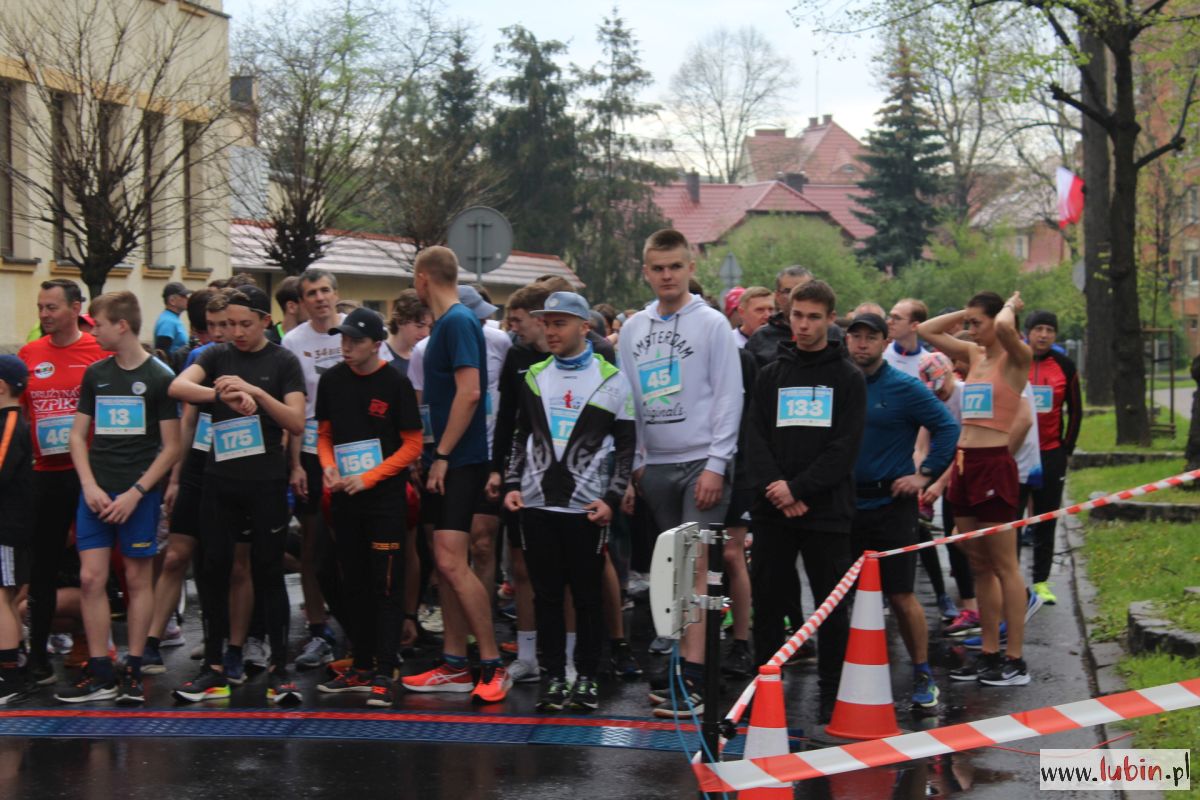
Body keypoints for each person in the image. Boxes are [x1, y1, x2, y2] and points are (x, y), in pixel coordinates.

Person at [618, 229, 742, 718]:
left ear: (691, 268)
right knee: (672, 571)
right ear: (645, 272)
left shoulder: (712, 324)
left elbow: (729, 395)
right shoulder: (633, 329)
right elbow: (629, 400)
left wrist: (717, 463)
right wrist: (635, 464)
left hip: (701, 464)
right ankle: (683, 662)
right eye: (658, 268)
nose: (667, 276)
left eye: (675, 266)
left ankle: (692, 675)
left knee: (696, 565)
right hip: (656, 467)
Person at [169, 286, 307, 705]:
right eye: (229, 324)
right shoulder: (216, 356)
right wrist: (220, 394)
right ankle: (213, 670)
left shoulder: (283, 361)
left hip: (265, 481)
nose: (236, 332)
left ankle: (280, 671)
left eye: (245, 324)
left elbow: (296, 422)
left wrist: (258, 393)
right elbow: (177, 387)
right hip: (220, 480)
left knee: (268, 572)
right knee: (213, 571)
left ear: (265, 321)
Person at [503, 292, 635, 712]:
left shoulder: (612, 379)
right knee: (545, 597)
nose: (551, 331)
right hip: (538, 505)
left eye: (560, 323)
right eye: (547, 323)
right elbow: (520, 436)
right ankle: (555, 678)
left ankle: (588, 678)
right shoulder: (534, 375)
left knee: (587, 597)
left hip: (586, 508)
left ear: (584, 327)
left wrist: (611, 498)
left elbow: (627, 447)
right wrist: (512, 483)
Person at [745, 279, 865, 724]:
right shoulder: (771, 374)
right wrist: (778, 487)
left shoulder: (848, 377)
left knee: (830, 609)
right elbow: (754, 436)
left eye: (814, 317)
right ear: (788, 314)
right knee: (767, 605)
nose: (804, 325)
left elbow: (844, 448)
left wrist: (799, 489)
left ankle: (831, 695)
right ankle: (763, 691)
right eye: (798, 315)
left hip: (826, 511)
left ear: (831, 320)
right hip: (772, 510)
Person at [57, 292, 181, 704]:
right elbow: (77, 436)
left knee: (136, 579)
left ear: (122, 325)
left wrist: (137, 492)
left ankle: (133, 668)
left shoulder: (160, 376)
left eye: (99, 324)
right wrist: (89, 485)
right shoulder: (96, 374)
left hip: (137, 496)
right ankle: (100, 671)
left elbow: (172, 447)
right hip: (96, 492)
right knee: (90, 578)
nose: (93, 332)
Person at [401, 246, 509, 703]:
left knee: (450, 562)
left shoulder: (460, 321)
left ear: (423, 278)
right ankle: (454, 665)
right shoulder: (446, 323)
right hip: (442, 459)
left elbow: (470, 394)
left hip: (461, 461)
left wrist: (443, 454)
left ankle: (492, 664)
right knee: (444, 565)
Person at [918, 291, 1035, 687]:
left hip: (993, 464)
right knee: (978, 564)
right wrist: (965, 314)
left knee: (1004, 564)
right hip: (965, 463)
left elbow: (1002, 326)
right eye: (967, 323)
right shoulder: (974, 353)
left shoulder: (1016, 357)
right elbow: (926, 330)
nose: (969, 329)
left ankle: (1015, 659)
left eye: (975, 323)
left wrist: (1010, 307)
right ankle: (988, 652)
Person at [845, 312, 959, 710]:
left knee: (900, 595)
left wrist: (924, 475)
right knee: (838, 596)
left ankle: (922, 672)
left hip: (892, 506)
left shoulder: (904, 386)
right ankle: (842, 679)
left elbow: (948, 428)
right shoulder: (838, 384)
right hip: (844, 506)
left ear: (884, 341)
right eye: (855, 336)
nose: (862, 343)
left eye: (870, 337)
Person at [315, 308, 424, 707]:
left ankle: (385, 670)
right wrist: (327, 466)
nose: (346, 347)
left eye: (355, 341)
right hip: (345, 498)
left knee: (386, 585)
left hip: (384, 501)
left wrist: (371, 477)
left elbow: (413, 444)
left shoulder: (395, 382)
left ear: (377, 344)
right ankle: (361, 664)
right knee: (354, 582)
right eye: (342, 339)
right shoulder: (331, 380)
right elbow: (323, 434)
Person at [19, 279, 107, 687]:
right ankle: (38, 656)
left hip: (89, 473)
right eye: (40, 307)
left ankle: (98, 648)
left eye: (51, 307)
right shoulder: (29, 354)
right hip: (44, 476)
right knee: (43, 568)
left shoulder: (97, 351)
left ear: (75, 308)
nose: (44, 314)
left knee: (94, 567)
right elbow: (21, 416)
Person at [281, 268, 345, 668]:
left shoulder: (355, 330)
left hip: (352, 449)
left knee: (350, 540)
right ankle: (318, 628)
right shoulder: (293, 342)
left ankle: (357, 622)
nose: (320, 298)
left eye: (325, 291)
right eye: (312, 294)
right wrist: (294, 465)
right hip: (308, 450)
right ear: (302, 302)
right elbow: (295, 407)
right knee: (312, 542)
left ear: (335, 294)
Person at [1025, 311, 1081, 605]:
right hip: (1017, 454)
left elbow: (1076, 411)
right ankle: (1009, 582)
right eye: (1038, 329)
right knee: (1009, 521)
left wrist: (1065, 449)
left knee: (1046, 520)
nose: (1044, 335)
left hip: (1050, 453)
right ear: (1028, 333)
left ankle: (1041, 582)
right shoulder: (1014, 360)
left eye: (1049, 330)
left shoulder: (1065, 365)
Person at [0, 356, 32, 705]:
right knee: (6, 598)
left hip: (6, 526)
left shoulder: (9, 421)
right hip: (9, 524)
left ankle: (9, 676)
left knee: (2, 598)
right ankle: (15, 662)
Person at [385, 290, 432, 379]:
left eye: (430, 327)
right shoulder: (378, 355)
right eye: (419, 326)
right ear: (399, 321)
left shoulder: (423, 355)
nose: (426, 333)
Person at [884, 298, 929, 378]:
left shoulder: (928, 362)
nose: (889, 322)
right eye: (890, 317)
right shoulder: (880, 354)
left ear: (914, 326)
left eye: (897, 318)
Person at [267, 276, 308, 345]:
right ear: (291, 307)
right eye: (307, 303)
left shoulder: (315, 339)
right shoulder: (266, 344)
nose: (313, 307)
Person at [154, 282, 192, 356]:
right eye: (183, 296)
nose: (187, 299)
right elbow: (162, 352)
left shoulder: (171, 318)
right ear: (172, 301)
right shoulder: (168, 321)